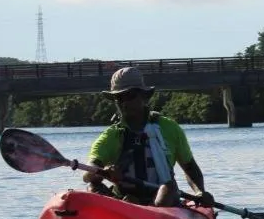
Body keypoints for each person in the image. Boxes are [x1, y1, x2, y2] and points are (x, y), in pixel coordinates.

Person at [82, 67, 215, 208]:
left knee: (168, 188)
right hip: (124, 200)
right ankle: (130, 207)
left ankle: (145, 208)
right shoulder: (110, 136)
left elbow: (190, 167)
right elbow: (88, 174)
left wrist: (200, 192)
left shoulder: (169, 128)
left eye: (130, 95)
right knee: (92, 186)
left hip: (163, 200)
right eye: (119, 98)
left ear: (144, 96)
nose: (124, 103)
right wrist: (103, 171)